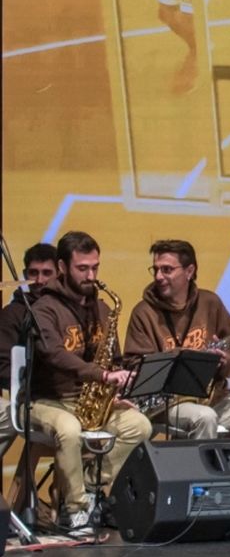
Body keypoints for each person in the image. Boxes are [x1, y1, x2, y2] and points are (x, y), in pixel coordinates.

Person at [29, 231, 152, 538]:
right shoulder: (44, 308)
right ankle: (75, 510)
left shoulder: (102, 308)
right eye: (82, 268)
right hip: (48, 400)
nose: (91, 275)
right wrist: (101, 376)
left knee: (139, 425)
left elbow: (114, 359)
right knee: (69, 430)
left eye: (95, 267)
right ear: (62, 267)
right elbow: (53, 354)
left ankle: (93, 490)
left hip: (92, 399)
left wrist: (117, 389)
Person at [123, 240, 230, 439]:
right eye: (155, 269)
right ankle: (196, 471)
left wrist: (224, 359)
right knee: (205, 418)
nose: (158, 277)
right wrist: (182, 359)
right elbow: (134, 366)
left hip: (213, 398)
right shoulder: (143, 312)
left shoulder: (210, 303)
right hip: (168, 403)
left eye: (167, 270)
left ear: (189, 271)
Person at [1, 244, 59, 455]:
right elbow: (3, 367)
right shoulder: (13, 314)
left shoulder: (69, 309)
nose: (40, 280)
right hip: (33, 398)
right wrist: (37, 382)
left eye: (47, 273)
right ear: (25, 275)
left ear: (60, 273)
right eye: (33, 273)